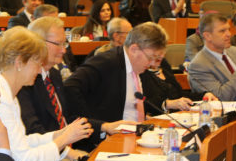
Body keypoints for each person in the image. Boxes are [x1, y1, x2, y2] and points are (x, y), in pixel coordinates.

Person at [0, 26, 92, 161]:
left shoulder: (8, 91)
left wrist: (57, 135)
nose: (40, 71)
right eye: (37, 64)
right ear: (19, 62)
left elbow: (23, 142)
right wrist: (64, 139)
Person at [18, 16, 128, 148]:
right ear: (38, 43)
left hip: (67, 150)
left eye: (64, 44)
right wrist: (69, 154)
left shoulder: (53, 74)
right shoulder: (26, 81)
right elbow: (33, 132)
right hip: (48, 156)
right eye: (58, 44)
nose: (64, 50)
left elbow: (68, 119)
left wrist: (105, 126)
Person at [65, 22, 199, 124]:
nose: (153, 64)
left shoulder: (138, 68)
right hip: (107, 142)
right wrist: (94, 125)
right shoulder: (107, 62)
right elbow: (70, 87)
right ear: (134, 49)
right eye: (151, 57)